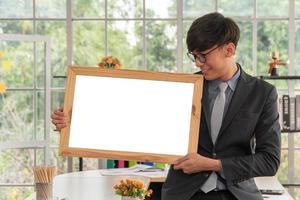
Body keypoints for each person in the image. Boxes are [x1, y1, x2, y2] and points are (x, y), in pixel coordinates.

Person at [51, 12, 281, 200]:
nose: (199, 64)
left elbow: (269, 161)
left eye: (203, 56)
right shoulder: (183, 88)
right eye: (194, 57)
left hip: (237, 194)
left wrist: (211, 164)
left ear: (229, 50)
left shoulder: (263, 93)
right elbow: (127, 120)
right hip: (185, 194)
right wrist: (73, 123)